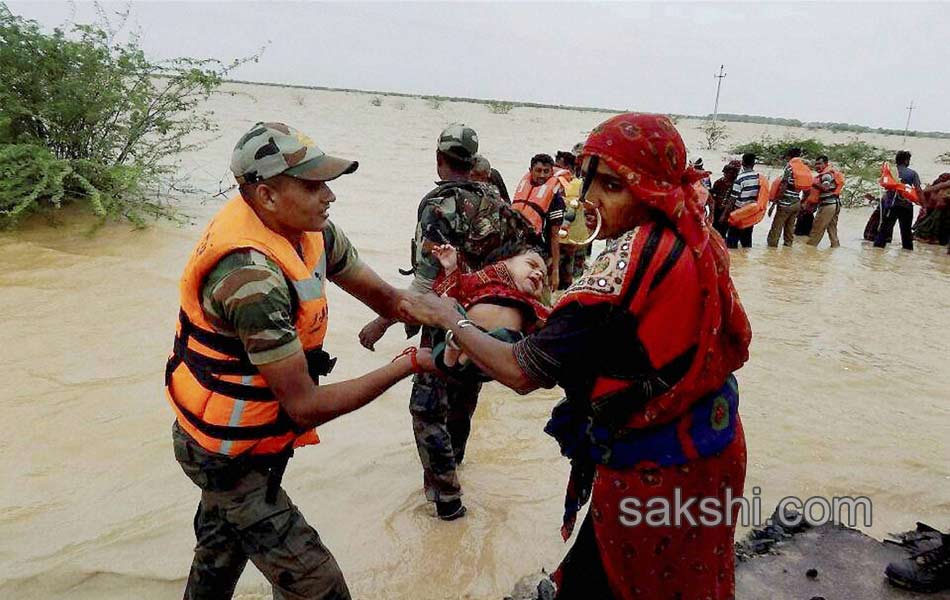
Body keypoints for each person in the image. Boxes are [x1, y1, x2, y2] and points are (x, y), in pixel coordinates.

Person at [400, 113, 752, 599]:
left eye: (612, 185)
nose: (590, 198)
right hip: (714, 446)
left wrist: (446, 316)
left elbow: (523, 371)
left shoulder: (621, 271)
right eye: (590, 178)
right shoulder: (699, 236)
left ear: (652, 189)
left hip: (654, 470)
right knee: (690, 575)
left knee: (631, 579)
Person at [165, 122, 435, 600]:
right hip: (224, 454)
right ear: (267, 195)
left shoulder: (312, 231)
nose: (329, 195)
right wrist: (406, 364)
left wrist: (459, 318)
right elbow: (304, 406)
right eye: (312, 186)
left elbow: (387, 297)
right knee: (318, 586)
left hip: (253, 440)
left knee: (219, 557)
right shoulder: (250, 276)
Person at [359, 123, 531, 520]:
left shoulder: (438, 206)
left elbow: (423, 283)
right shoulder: (498, 203)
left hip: (446, 318)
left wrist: (381, 322)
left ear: (439, 159)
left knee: (426, 407)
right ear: (473, 161)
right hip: (487, 324)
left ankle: (447, 499)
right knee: (464, 398)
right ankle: (456, 465)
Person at [429, 244, 549, 376]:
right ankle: (454, 348)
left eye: (542, 278)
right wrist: (451, 267)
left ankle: (459, 354)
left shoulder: (532, 305)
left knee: (509, 336)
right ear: (505, 261)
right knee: (449, 305)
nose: (538, 274)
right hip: (462, 333)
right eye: (531, 265)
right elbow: (456, 290)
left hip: (491, 356)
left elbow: (552, 321)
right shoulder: (485, 278)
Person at [511, 153, 568, 289]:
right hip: (517, 248)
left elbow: (555, 236)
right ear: (530, 171)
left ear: (551, 172)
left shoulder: (556, 200)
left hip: (540, 254)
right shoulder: (523, 190)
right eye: (538, 171)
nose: (542, 175)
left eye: (546, 171)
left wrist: (555, 272)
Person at [875, 150, 922, 250]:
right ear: (906, 161)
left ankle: (877, 253)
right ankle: (906, 254)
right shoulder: (912, 173)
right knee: (906, 232)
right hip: (906, 205)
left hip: (890, 205)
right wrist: (923, 203)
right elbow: (918, 189)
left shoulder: (890, 171)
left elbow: (883, 184)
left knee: (884, 230)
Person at [767, 147, 808, 247]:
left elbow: (783, 186)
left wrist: (774, 203)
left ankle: (771, 251)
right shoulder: (804, 168)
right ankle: (787, 249)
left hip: (785, 203)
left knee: (776, 229)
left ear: (789, 156)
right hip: (796, 202)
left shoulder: (789, 167)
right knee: (789, 230)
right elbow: (807, 189)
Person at [722, 153, 761, 248]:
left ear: (742, 163)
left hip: (738, 213)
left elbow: (732, 199)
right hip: (751, 212)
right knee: (746, 243)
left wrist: (724, 214)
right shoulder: (758, 177)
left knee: (731, 243)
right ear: (753, 163)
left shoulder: (740, 179)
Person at [807, 155, 844, 247]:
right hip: (835, 204)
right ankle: (835, 248)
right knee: (832, 230)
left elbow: (825, 187)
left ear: (826, 164)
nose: (817, 166)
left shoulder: (826, 175)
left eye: (820, 164)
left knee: (817, 229)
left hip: (828, 206)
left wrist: (814, 183)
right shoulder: (831, 173)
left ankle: (809, 251)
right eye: (816, 164)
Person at [711, 160, 741, 237]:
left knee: (722, 232)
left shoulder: (736, 184)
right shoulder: (719, 182)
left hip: (728, 211)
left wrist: (724, 214)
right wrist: (712, 212)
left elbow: (732, 201)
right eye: (726, 173)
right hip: (717, 209)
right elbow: (713, 198)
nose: (726, 175)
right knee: (714, 231)